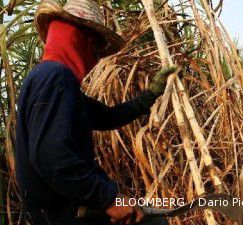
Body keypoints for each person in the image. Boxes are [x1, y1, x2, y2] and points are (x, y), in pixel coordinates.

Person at [15, 0, 176, 224]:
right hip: (65, 215)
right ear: (79, 38)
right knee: (154, 222)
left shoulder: (52, 80)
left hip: (67, 209)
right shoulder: (55, 77)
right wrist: (108, 200)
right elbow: (51, 155)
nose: (96, 58)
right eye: (95, 47)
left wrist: (151, 94)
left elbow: (107, 116)